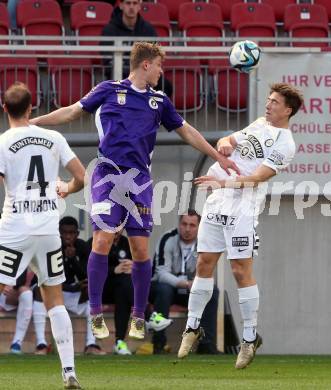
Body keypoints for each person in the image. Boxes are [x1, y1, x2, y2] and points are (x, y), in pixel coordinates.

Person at [29, 41, 239, 342]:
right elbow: (72, 112)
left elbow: (186, 130)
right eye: (158, 66)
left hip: (139, 181)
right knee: (102, 240)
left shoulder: (159, 100)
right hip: (106, 176)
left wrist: (217, 156)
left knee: (141, 249)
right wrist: (35, 123)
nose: (160, 71)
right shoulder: (108, 90)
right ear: (145, 65)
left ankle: (139, 317)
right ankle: (97, 312)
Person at [177, 83, 304, 369]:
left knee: (239, 270)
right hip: (219, 199)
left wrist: (223, 182)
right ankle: (193, 326)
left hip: (243, 206)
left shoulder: (285, 144)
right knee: (204, 263)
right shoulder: (260, 123)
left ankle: (249, 339)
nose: (268, 105)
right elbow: (231, 140)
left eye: (274, 102)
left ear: (288, 110)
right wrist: (225, 142)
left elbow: (258, 178)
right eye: (269, 100)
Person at [0, 82, 85, 389]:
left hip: (14, 229)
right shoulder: (54, 138)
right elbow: (81, 178)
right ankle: (69, 371)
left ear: (5, 108)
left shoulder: (3, 142)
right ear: (32, 107)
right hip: (49, 230)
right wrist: (65, 188)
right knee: (54, 299)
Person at [32, 216, 105, 356]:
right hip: (55, 295)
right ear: (58, 233)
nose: (67, 236)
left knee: (93, 290)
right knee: (37, 289)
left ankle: (91, 343)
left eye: (71, 233)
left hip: (75, 295)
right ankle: (41, 344)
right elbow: (44, 277)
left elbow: (85, 276)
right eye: (64, 233)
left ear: (77, 234)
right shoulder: (52, 246)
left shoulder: (83, 247)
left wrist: (73, 260)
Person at [151, 210, 219, 354]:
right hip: (167, 288)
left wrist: (197, 282)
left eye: (192, 225)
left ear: (199, 227)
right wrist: (185, 284)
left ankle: (206, 345)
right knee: (164, 289)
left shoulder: (205, 242)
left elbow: (207, 271)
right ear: (179, 224)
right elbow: (161, 273)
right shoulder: (167, 239)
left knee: (212, 292)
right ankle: (158, 344)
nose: (187, 229)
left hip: (190, 290)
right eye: (184, 224)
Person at [101, 0, 172, 96]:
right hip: (120, 73)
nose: (131, 7)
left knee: (165, 85)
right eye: (128, 3)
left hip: (144, 71)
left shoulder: (148, 29)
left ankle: (155, 110)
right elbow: (107, 57)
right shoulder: (110, 29)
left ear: (139, 6)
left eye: (134, 3)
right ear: (121, 5)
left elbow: (155, 55)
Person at [0, 270, 33, 354]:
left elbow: (21, 280)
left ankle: (16, 343)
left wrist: (10, 285)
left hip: (12, 293)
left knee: (27, 293)